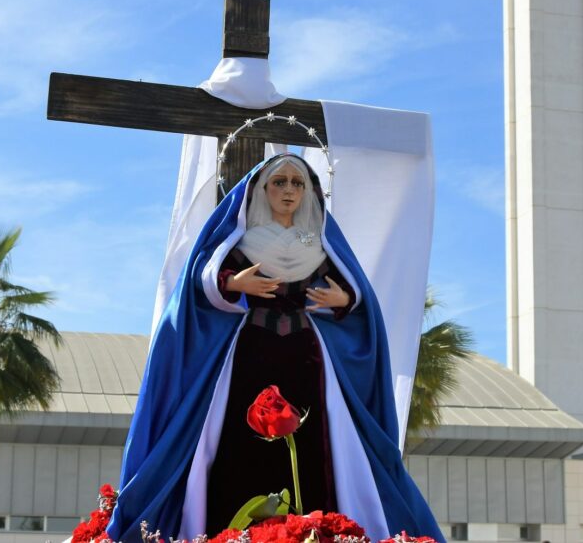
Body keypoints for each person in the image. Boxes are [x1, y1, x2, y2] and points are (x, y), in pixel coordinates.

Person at [106, 154, 442, 543]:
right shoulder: (243, 240)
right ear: (262, 190)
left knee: (312, 445)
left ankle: (313, 530)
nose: (288, 191)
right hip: (251, 354)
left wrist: (345, 299)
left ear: (309, 192)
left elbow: (356, 293)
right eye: (279, 182)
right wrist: (232, 283)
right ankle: (231, 532)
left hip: (306, 359)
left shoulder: (318, 244)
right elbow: (200, 277)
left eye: (297, 183)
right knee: (240, 442)